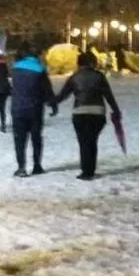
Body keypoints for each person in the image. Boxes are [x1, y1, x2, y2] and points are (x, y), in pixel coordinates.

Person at [54, 52, 121, 180]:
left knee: (83, 142)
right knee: (92, 141)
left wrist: (50, 102)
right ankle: (90, 170)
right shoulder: (99, 76)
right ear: (91, 63)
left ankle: (86, 171)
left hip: (80, 113)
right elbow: (108, 95)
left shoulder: (74, 77)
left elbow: (63, 95)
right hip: (97, 113)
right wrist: (115, 110)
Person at [10, 42, 55, 176]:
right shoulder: (40, 69)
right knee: (36, 138)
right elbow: (47, 90)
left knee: (19, 139)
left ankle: (21, 167)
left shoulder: (15, 68)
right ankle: (37, 165)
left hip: (17, 108)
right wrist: (53, 104)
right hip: (35, 109)